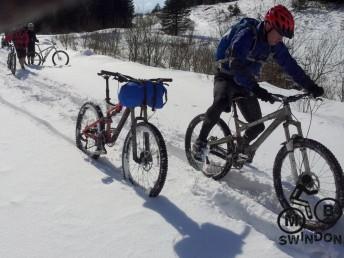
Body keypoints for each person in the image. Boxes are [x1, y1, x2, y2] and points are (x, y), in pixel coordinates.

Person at [192, 5, 324, 164]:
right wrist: (255, 88)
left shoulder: (274, 44)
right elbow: (235, 65)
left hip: (246, 82)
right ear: (268, 25)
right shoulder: (247, 35)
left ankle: (241, 149)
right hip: (226, 75)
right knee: (220, 102)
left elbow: (290, 66)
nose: (280, 39)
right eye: (279, 34)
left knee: (257, 126)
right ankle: (200, 142)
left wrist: (310, 86)